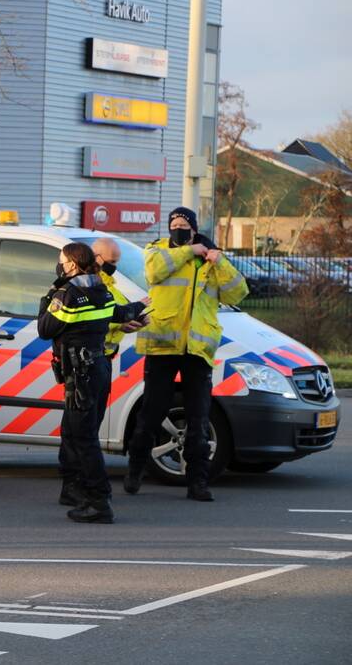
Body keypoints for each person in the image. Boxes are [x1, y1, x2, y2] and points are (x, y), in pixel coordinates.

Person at [126, 207, 248, 502]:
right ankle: (135, 470)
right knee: (151, 412)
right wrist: (188, 250)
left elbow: (237, 293)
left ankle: (198, 482)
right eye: (174, 224)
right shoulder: (158, 251)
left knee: (198, 418)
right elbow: (154, 272)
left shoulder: (210, 260)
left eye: (184, 224)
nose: (178, 228)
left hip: (197, 349)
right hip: (162, 344)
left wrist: (219, 262)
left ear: (194, 228)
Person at [39, 243, 146, 523]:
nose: (59, 265)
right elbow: (116, 314)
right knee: (77, 434)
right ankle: (79, 492)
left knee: (83, 438)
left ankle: (99, 501)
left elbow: (44, 328)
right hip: (98, 367)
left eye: (62, 261)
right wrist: (137, 308)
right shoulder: (100, 289)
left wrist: (52, 293)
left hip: (81, 373)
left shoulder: (69, 293)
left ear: (72, 265)